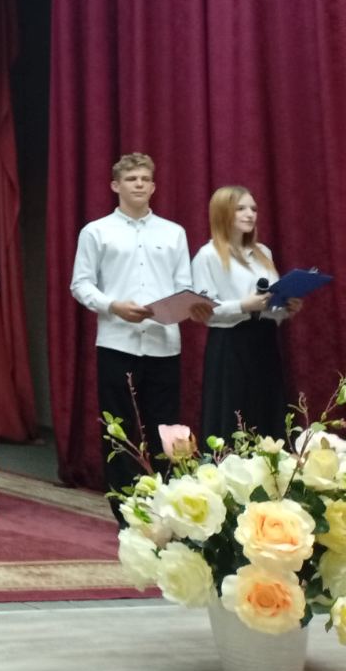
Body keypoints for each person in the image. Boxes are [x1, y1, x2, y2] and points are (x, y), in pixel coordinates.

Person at [70, 152, 210, 521]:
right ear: (115, 185)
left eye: (145, 179)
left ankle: (167, 504)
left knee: (167, 427)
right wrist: (113, 305)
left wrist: (185, 305)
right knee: (118, 428)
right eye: (131, 179)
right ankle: (124, 509)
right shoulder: (96, 231)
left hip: (164, 343)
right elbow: (81, 284)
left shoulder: (173, 232)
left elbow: (183, 284)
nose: (139, 184)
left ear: (153, 186)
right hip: (117, 342)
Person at [192, 186, 301, 441]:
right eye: (240, 208)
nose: (250, 214)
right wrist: (243, 305)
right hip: (230, 343)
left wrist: (285, 308)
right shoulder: (208, 255)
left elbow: (269, 304)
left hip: (264, 340)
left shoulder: (263, 252)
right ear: (222, 212)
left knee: (266, 411)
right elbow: (205, 311)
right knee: (232, 413)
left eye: (253, 208)